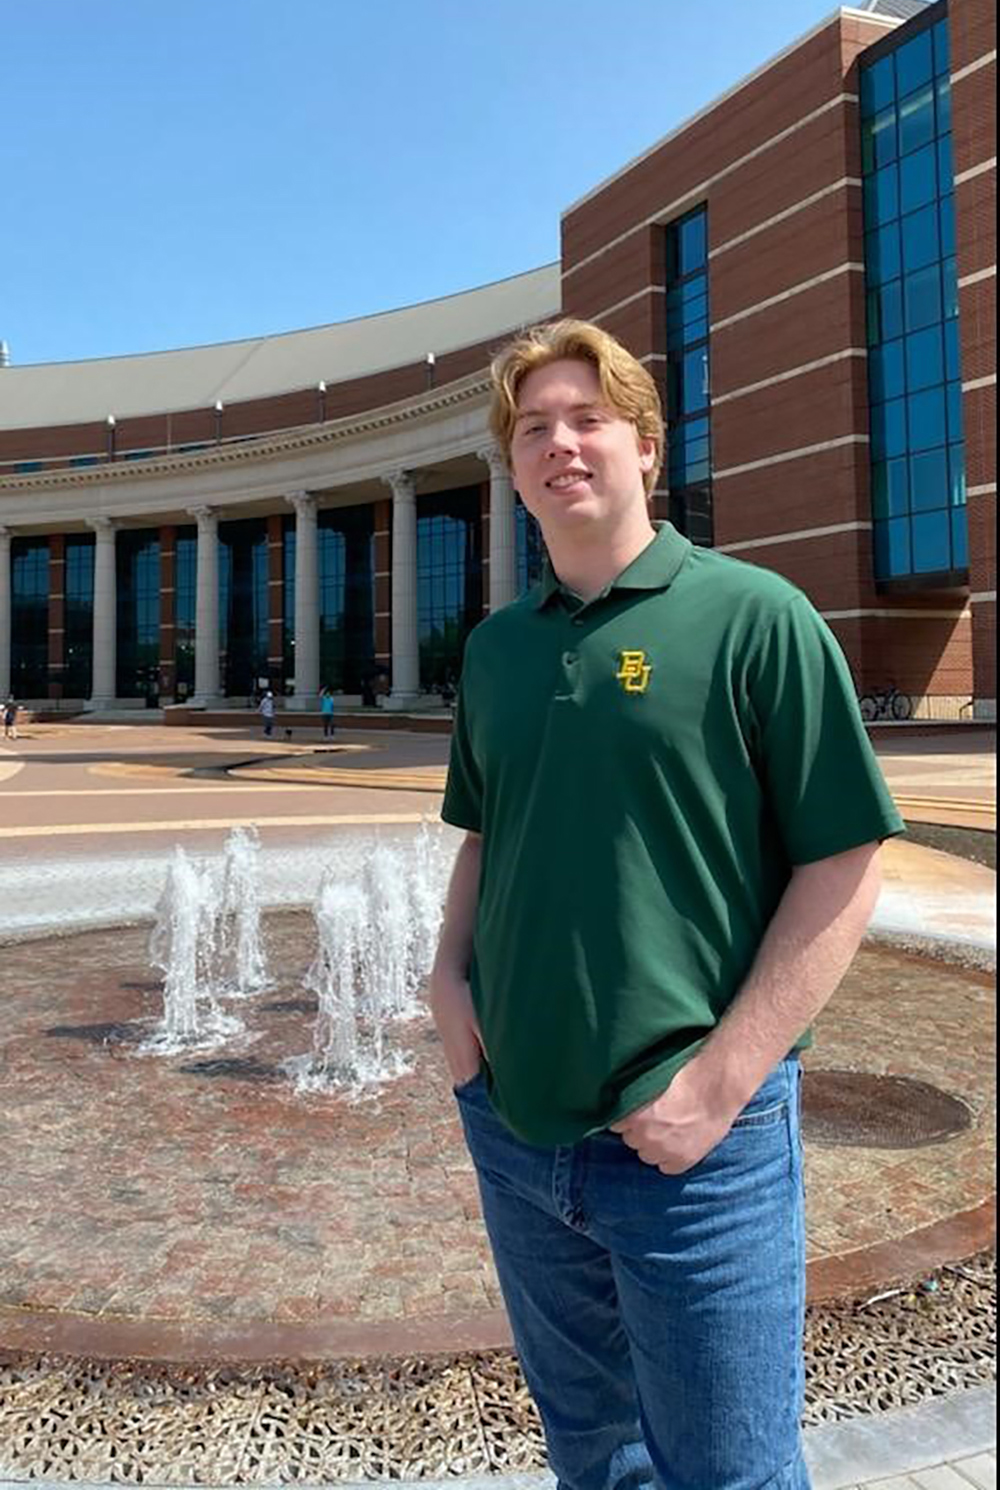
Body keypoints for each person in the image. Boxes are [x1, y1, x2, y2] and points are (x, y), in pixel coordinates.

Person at [429, 319, 903, 1490]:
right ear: (515, 467)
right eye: (532, 427)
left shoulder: (754, 616)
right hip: (516, 1124)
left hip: (703, 1146)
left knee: (731, 1474)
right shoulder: (496, 651)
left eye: (586, 417)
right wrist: (447, 983)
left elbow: (844, 863)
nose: (559, 442)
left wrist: (720, 1080)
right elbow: (488, 830)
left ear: (645, 446)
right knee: (593, 1456)